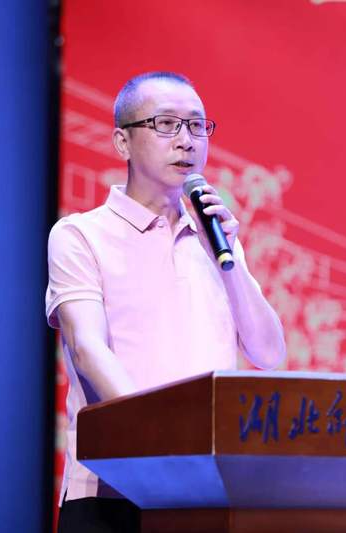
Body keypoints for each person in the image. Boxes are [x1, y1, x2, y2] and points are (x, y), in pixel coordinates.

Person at [45, 71, 287, 532]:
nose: (186, 140)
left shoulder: (214, 240)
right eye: (166, 124)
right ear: (122, 142)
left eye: (196, 126)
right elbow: (88, 348)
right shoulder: (81, 235)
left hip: (207, 491)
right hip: (113, 489)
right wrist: (161, 443)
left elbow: (269, 351)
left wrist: (229, 261)